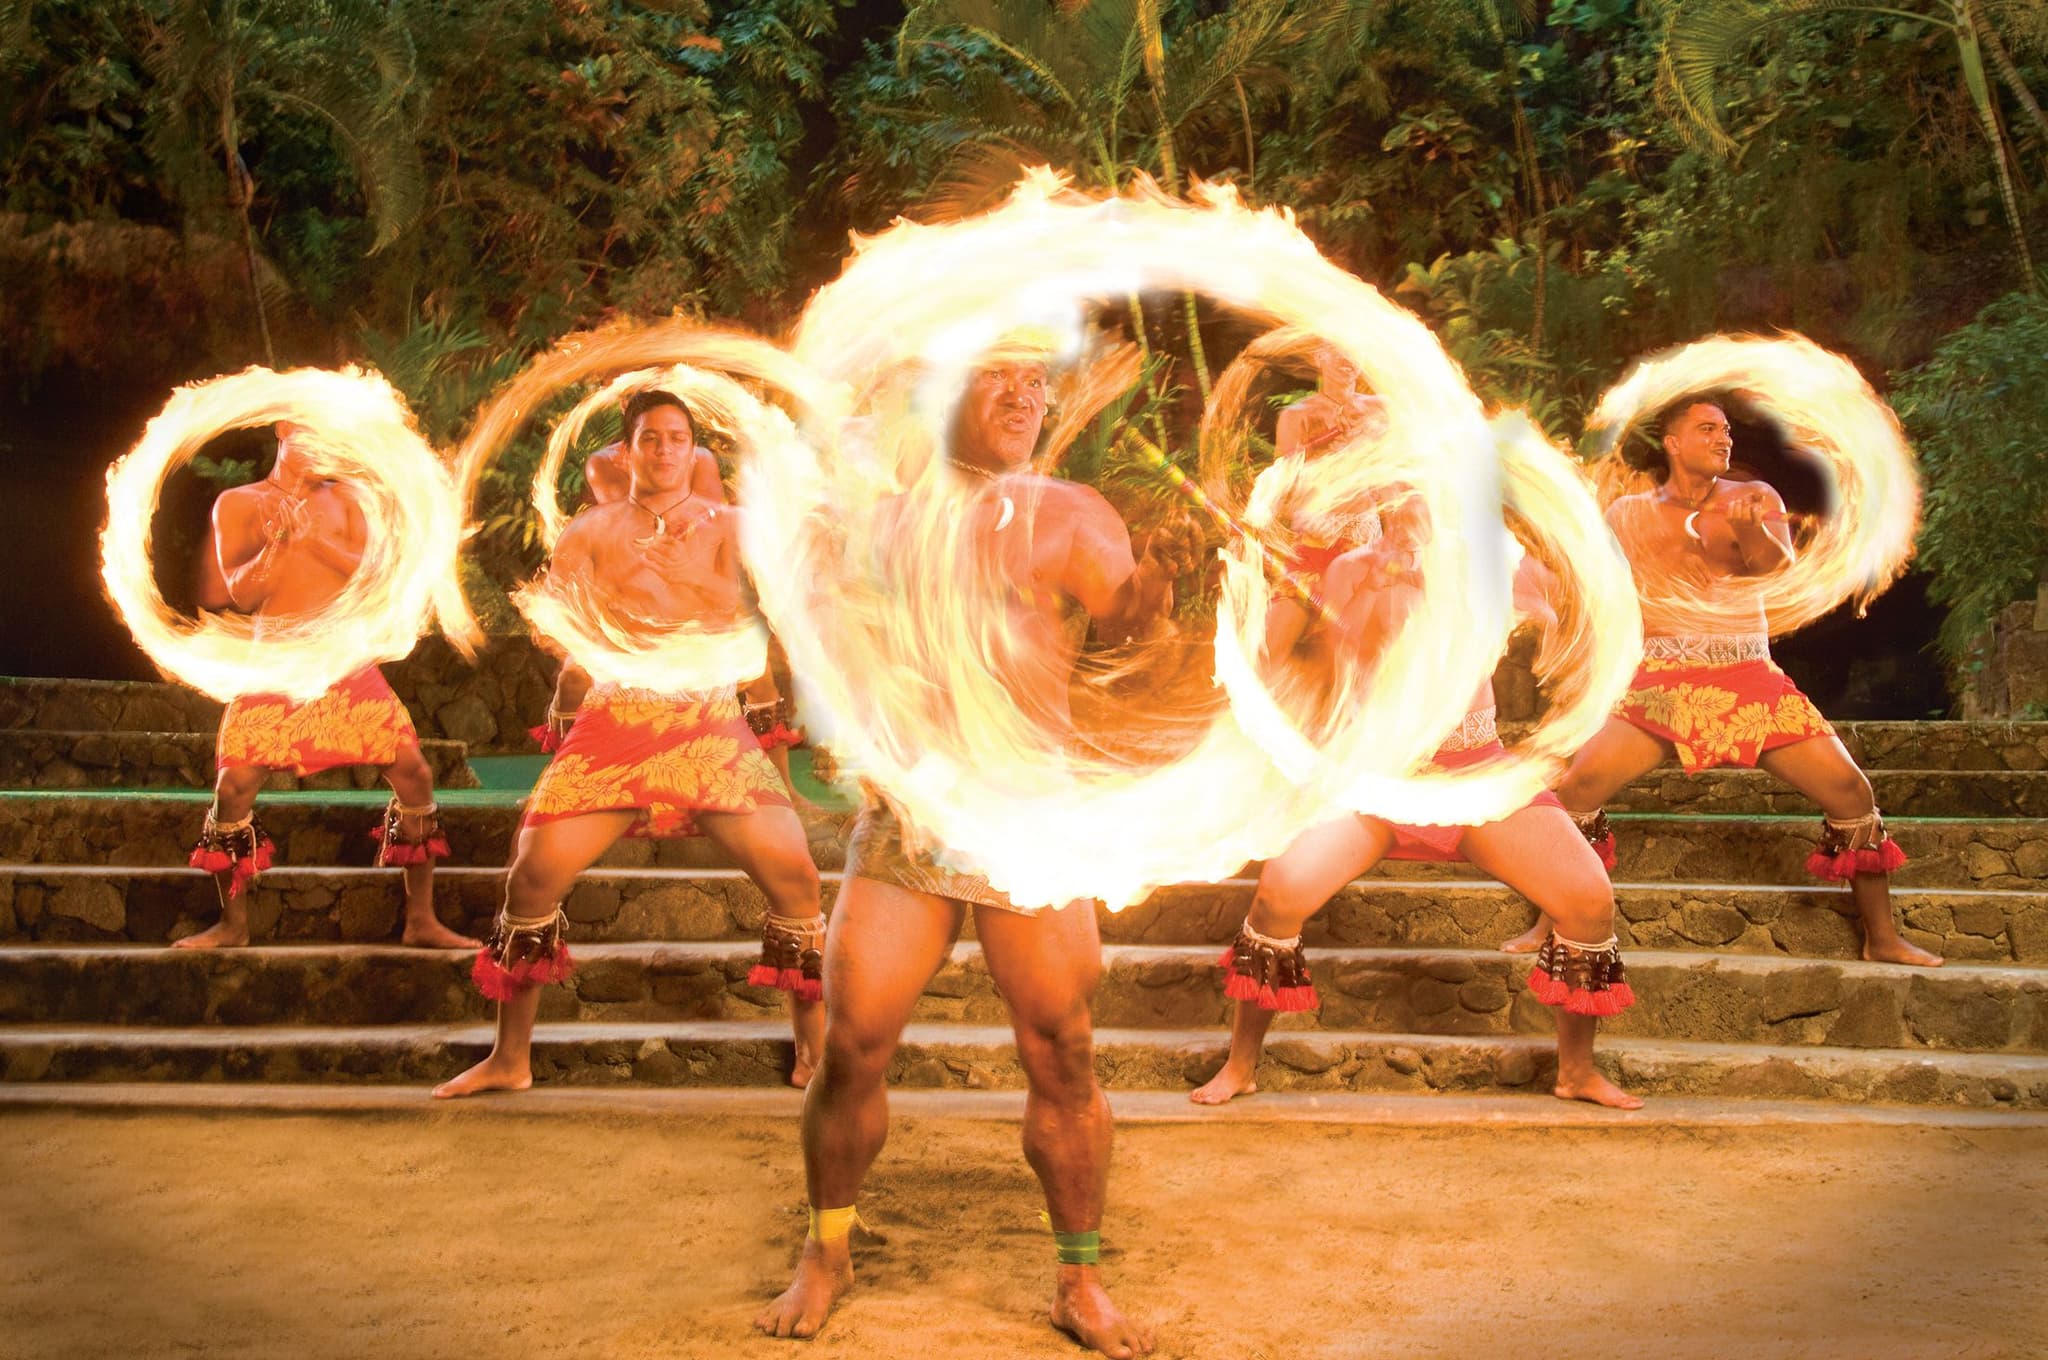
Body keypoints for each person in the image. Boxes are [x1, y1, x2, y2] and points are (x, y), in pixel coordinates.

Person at [756, 348, 1178, 1358]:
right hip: (915, 815)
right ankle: (825, 1252)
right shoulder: (883, 520)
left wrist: (1157, 591)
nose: (1022, 393)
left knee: (1063, 1049)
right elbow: (817, 628)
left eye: (1035, 380)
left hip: (1027, 813)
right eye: (997, 374)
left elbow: (1128, 629)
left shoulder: (1071, 514)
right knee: (853, 1045)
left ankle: (1079, 1278)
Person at [433, 389, 828, 1098]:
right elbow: (558, 626)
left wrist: (695, 572)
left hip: (706, 719)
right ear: (626, 451)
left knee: (797, 875)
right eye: (651, 438)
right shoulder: (590, 531)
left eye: (678, 438)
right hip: (617, 718)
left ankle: (814, 1053)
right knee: (531, 875)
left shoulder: (732, 525)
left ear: (694, 449)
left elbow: (779, 602)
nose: (665, 450)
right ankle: (510, 1058)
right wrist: (602, 627)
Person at [1189, 492, 1641, 1110]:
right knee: (1278, 895)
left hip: (1473, 772)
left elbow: (1566, 602)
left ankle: (1577, 1072)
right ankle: (1241, 1064)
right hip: (1372, 777)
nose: (1411, 505)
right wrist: (1363, 591)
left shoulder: (1490, 561)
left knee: (1588, 898)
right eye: (1398, 492)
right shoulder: (1350, 569)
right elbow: (1320, 667)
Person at [1502, 396, 1941, 967]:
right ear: (1673, 442)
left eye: (1726, 430)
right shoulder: (1628, 514)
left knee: (1851, 792)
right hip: (1660, 680)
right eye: (1707, 429)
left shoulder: (1755, 498)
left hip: (1746, 676)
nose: (1723, 438)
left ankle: (1882, 938)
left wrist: (1753, 534)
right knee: (1578, 788)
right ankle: (1552, 920)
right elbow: (1601, 590)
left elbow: (1778, 574)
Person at [179, 422, 475, 951]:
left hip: (342, 662)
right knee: (232, 789)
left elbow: (373, 577)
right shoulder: (239, 503)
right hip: (276, 664)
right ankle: (233, 925)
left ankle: (421, 920)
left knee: (415, 775)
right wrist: (279, 542)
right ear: (284, 429)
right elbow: (241, 596)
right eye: (311, 433)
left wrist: (315, 537)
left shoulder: (351, 500)